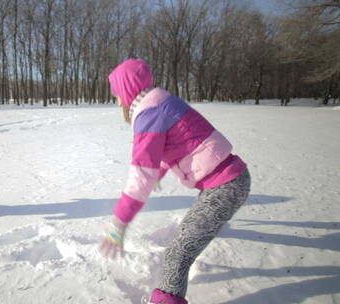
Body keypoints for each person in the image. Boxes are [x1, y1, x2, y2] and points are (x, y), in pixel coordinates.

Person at [99, 59, 251, 304]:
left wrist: (118, 224)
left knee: (177, 254)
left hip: (226, 187)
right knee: (182, 246)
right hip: (227, 181)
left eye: (116, 92)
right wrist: (155, 175)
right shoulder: (160, 102)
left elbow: (141, 175)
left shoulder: (150, 113)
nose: (116, 99)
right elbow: (167, 150)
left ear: (128, 89)